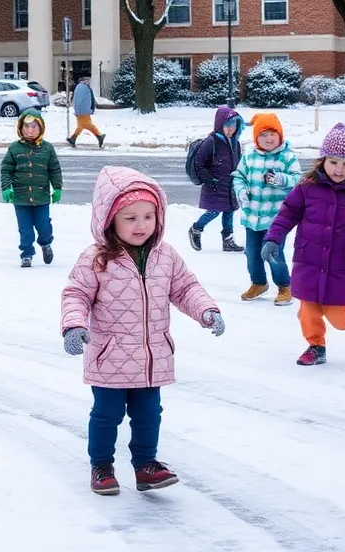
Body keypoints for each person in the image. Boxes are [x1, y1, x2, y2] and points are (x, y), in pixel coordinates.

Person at [61, 166, 225, 495]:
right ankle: (102, 465)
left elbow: (185, 288)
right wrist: (74, 325)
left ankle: (145, 465)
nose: (141, 226)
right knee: (107, 415)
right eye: (131, 218)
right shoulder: (96, 259)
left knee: (149, 414)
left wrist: (206, 309)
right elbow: (76, 293)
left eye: (148, 217)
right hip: (110, 358)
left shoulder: (165, 256)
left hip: (153, 357)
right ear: (110, 219)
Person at [263, 123, 345, 366]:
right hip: (309, 259)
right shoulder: (307, 186)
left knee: (339, 316)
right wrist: (273, 237)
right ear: (322, 160)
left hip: (342, 264)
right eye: (333, 162)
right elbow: (288, 213)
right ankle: (316, 346)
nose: (339, 169)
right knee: (307, 311)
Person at [231, 113, 301, 305]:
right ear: (256, 138)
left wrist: (281, 179)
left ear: (280, 135)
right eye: (263, 135)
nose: (268, 139)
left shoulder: (287, 157)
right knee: (252, 253)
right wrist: (241, 191)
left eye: (272, 134)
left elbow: (298, 180)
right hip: (251, 215)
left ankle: (285, 286)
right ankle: (259, 282)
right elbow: (239, 176)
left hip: (276, 218)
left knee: (273, 252)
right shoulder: (249, 156)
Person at [0, 109, 63, 267]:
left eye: (34, 126)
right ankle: (27, 254)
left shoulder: (47, 149)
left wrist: (57, 188)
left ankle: (46, 243)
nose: (30, 130)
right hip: (20, 199)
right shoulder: (14, 149)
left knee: (43, 225)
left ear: (41, 128)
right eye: (26, 126)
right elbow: (6, 169)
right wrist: (7, 187)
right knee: (25, 229)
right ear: (20, 128)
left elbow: (54, 170)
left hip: (41, 197)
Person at [187, 106, 244, 253]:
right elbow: (199, 162)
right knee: (214, 211)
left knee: (229, 211)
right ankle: (196, 229)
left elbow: (238, 163)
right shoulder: (211, 142)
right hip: (214, 184)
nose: (231, 129)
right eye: (228, 125)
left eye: (234, 125)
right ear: (220, 125)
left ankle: (228, 240)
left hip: (230, 184)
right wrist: (210, 180)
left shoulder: (235, 143)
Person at [66, 77, 104, 149]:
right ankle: (99, 136)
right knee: (86, 124)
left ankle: (73, 138)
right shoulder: (83, 88)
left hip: (83, 109)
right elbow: (79, 100)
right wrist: (79, 110)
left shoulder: (81, 87)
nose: (88, 81)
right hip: (83, 110)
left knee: (82, 125)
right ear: (83, 80)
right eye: (86, 80)